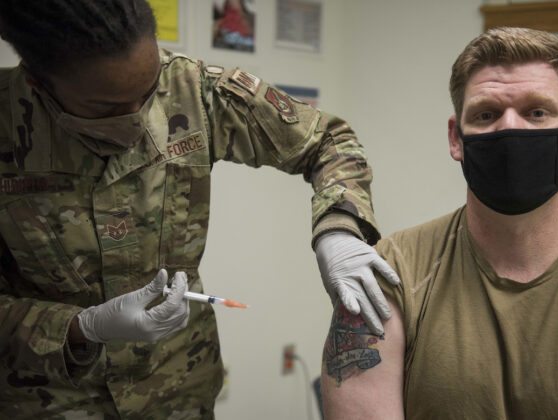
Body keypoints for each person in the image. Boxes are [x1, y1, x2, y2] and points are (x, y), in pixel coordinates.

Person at [0, 0, 399, 418]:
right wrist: (82, 329)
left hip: (179, 393)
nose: (137, 121)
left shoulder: (192, 90)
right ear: (39, 82)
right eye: (107, 110)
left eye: (148, 92)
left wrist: (338, 228)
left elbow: (327, 140)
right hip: (49, 400)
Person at [320, 27, 558, 419]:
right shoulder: (387, 275)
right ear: (456, 138)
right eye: (487, 114)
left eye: (537, 112)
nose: (510, 128)